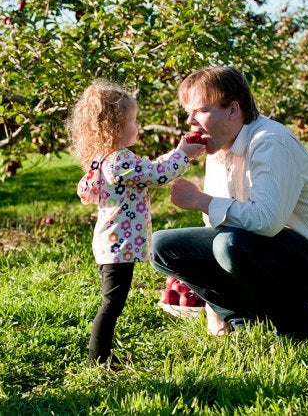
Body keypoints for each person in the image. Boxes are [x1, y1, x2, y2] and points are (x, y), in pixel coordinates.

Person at [151, 66, 308, 340]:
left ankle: (303, 328)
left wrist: (200, 200)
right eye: (188, 112)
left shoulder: (270, 142)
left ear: (233, 110)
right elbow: (220, 225)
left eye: (199, 111)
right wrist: (214, 309)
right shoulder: (219, 149)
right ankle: (241, 320)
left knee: (231, 245)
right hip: (265, 252)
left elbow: (266, 221)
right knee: (161, 246)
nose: (190, 121)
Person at [68, 80, 205, 368]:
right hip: (117, 247)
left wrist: (179, 150)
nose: (138, 126)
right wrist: (185, 155)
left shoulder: (108, 160)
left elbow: (152, 169)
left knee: (113, 301)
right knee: (112, 303)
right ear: (116, 127)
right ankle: (99, 359)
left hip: (113, 245)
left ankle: (102, 356)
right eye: (134, 121)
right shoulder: (119, 161)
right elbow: (158, 174)